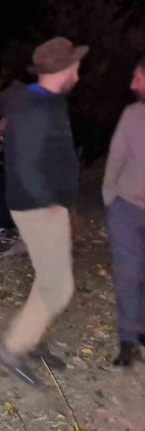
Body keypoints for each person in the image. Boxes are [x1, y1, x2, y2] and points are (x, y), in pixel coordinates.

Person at [0, 36, 88, 385]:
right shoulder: (35, 107)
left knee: (49, 280)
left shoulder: (46, 102)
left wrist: (65, 201)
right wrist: (49, 203)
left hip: (46, 204)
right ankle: (12, 348)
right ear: (64, 68)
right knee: (58, 287)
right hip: (38, 207)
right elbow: (27, 163)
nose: (80, 69)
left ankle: (29, 339)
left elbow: (53, 156)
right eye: (76, 63)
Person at [102, 54, 145, 367]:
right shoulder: (132, 115)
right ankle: (128, 339)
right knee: (128, 276)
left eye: (138, 78)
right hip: (127, 208)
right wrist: (110, 200)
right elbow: (115, 159)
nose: (132, 85)